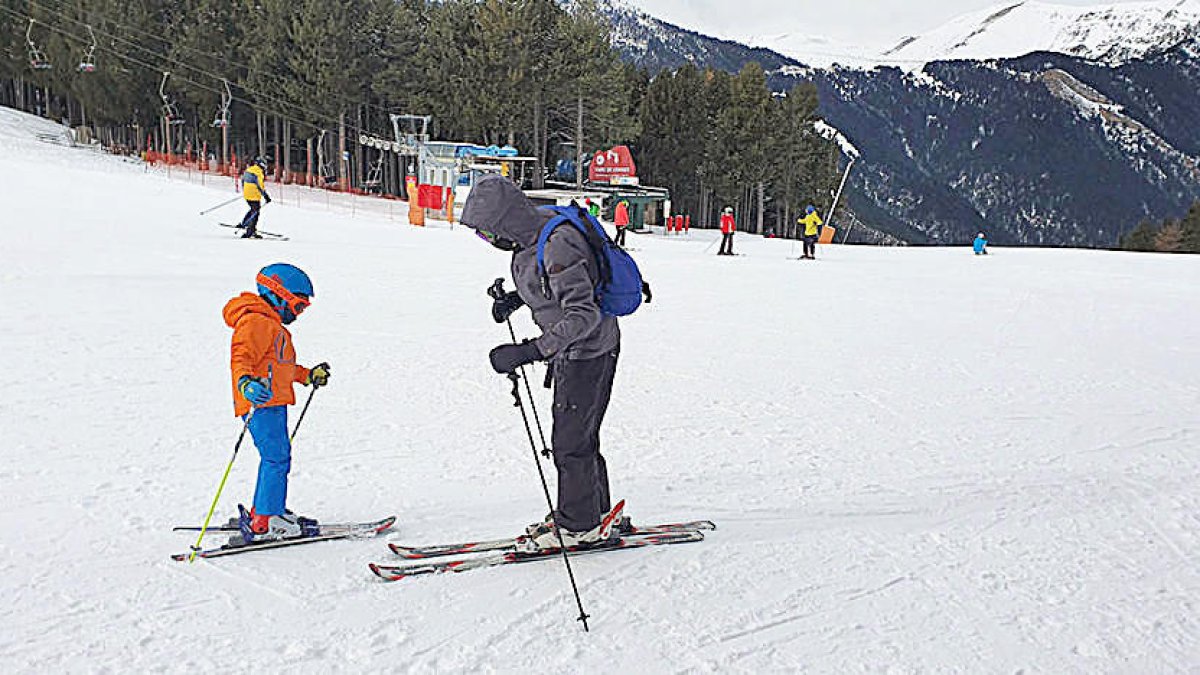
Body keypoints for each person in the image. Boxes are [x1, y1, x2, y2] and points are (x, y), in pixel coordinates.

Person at [460, 175, 624, 551]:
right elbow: (556, 283)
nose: (488, 241)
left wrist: (529, 351)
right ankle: (592, 511)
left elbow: (583, 315)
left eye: (488, 232)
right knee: (580, 436)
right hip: (580, 349)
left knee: (569, 442)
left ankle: (579, 525)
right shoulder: (534, 232)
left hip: (587, 351)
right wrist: (518, 299)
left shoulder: (557, 242)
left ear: (507, 220)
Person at [225, 263, 331, 542]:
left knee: (276, 457)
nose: (298, 314)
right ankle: (267, 520)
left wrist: (308, 375)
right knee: (276, 457)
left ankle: (267, 510)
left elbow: (281, 366)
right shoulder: (256, 322)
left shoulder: (269, 324)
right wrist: (245, 384)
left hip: (272, 400)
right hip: (261, 403)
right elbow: (241, 358)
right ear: (277, 294)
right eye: (297, 307)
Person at [238, 157, 272, 239]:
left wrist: (245, 190)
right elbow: (260, 185)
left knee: (253, 210)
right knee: (255, 212)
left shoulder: (249, 169)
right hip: (254, 196)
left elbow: (243, 180)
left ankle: (244, 224)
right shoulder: (258, 172)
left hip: (247, 194)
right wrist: (265, 196)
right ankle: (250, 231)